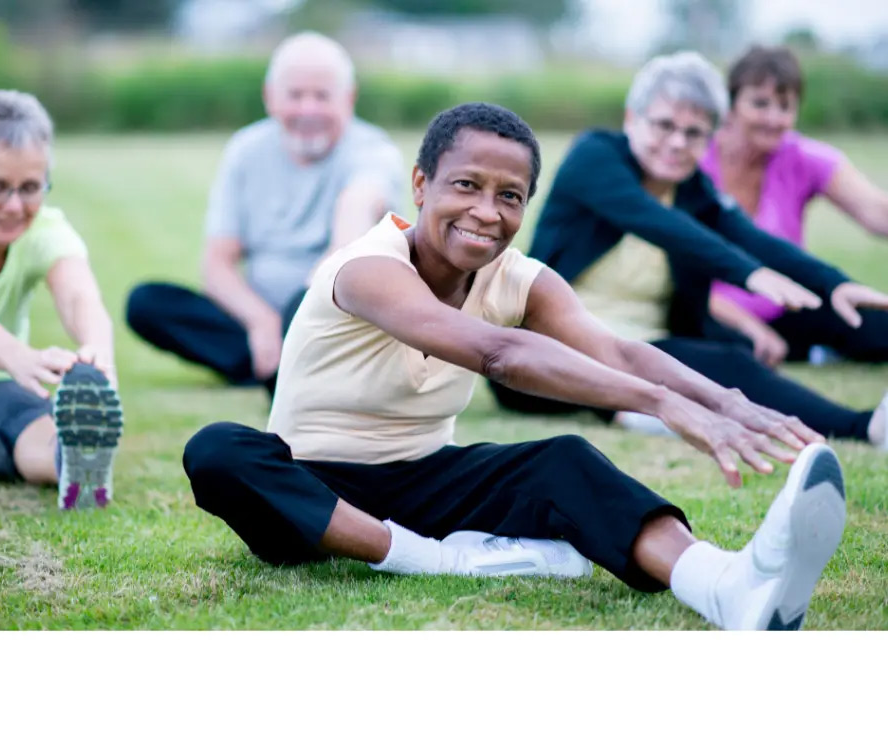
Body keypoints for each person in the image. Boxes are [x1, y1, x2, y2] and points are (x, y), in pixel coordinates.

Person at [183, 103, 849, 631]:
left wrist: (721, 400)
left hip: (421, 480)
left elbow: (615, 349)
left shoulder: (521, 278)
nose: (486, 212)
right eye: (466, 186)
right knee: (217, 450)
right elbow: (498, 353)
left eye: (511, 196)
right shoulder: (366, 268)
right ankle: (441, 562)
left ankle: (724, 584)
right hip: (310, 496)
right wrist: (661, 406)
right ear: (421, 185)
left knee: (564, 459)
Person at [494, 51, 888, 446]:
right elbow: (659, 223)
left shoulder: (693, 188)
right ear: (633, 119)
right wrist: (749, 273)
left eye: (695, 133)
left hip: (647, 341)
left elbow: (750, 237)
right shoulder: (596, 157)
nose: (678, 143)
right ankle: (865, 428)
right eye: (664, 125)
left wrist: (833, 283)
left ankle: (638, 410)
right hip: (548, 351)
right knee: (726, 365)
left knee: (774, 338)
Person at [125, 32, 404, 393]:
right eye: (295, 95)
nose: (308, 109)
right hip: (258, 316)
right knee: (148, 302)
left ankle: (284, 364)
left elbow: (351, 230)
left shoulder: (373, 151)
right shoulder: (245, 150)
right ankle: (279, 364)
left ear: (348, 99)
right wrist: (261, 321)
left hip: (331, 309)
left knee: (320, 314)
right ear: (270, 97)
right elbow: (217, 265)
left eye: (322, 96)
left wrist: (299, 316)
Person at [0, 89, 122, 509]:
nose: (14, 206)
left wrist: (98, 353)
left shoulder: (45, 230)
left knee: (27, 418)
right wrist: (17, 355)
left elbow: (79, 295)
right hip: (6, 365)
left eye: (30, 187)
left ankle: (70, 462)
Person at [700, 45, 888, 366]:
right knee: (724, 351)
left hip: (788, 305)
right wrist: (750, 327)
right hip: (709, 310)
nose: (774, 118)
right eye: (760, 103)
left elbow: (877, 212)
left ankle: (813, 350)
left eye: (785, 106)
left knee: (876, 326)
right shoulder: (694, 160)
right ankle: (811, 352)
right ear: (730, 105)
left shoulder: (802, 157)